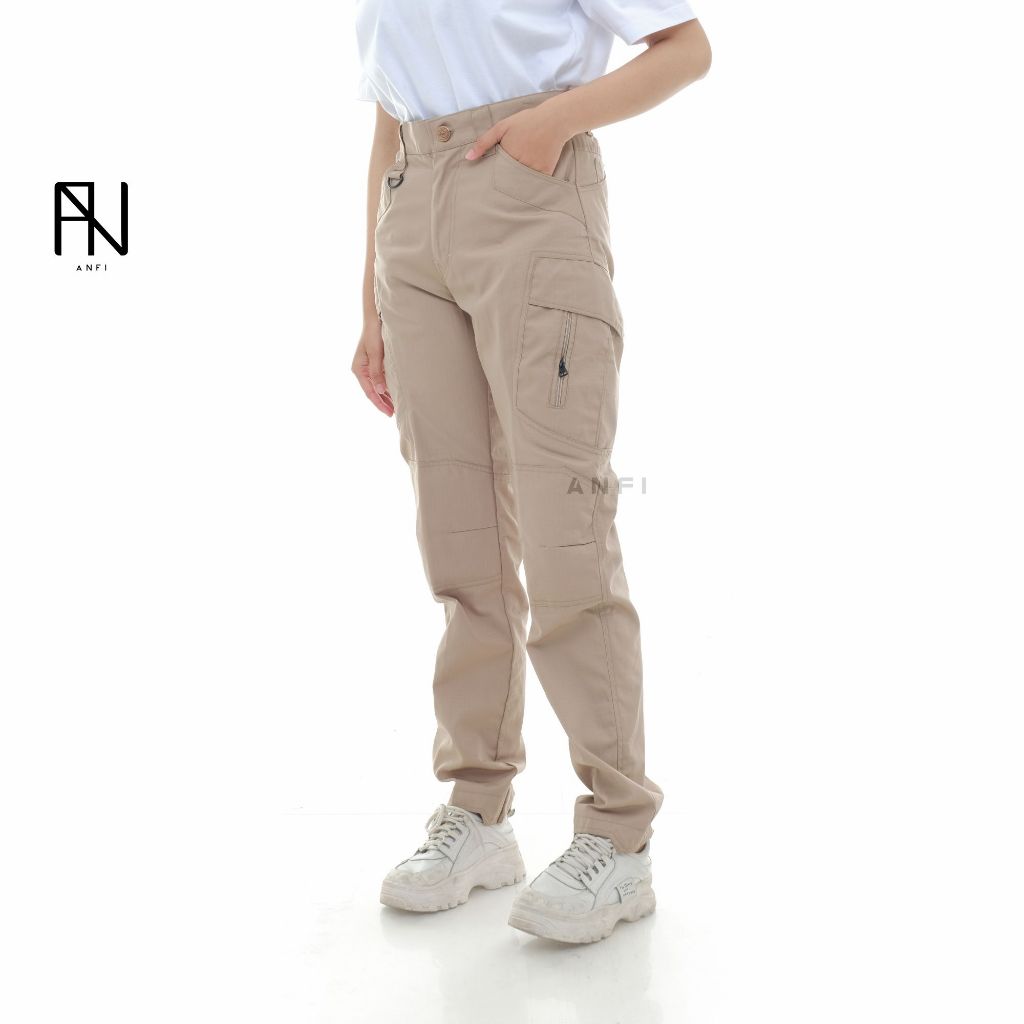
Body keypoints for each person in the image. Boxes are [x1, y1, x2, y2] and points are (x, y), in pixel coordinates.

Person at [352, 0, 711, 944]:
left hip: (529, 195)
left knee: (566, 535)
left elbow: (686, 49)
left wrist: (552, 123)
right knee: (458, 539)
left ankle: (619, 834)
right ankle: (479, 811)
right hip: (410, 214)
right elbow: (389, 104)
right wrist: (370, 302)